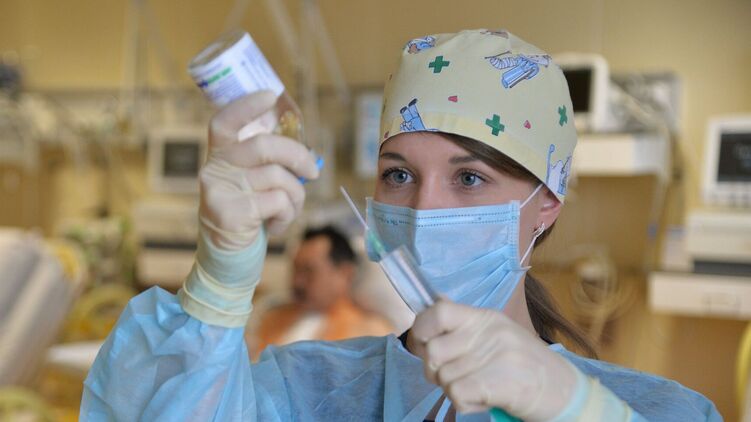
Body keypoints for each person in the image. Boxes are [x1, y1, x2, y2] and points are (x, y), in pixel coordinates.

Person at [81, 29, 721, 421]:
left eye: (469, 178)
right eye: (399, 174)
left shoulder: (663, 412)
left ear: (547, 203)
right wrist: (217, 285)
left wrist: (581, 411)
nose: (423, 209)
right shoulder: (303, 391)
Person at [249, 226, 392, 357]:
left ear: (345, 274)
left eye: (308, 271)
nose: (297, 282)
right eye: (295, 270)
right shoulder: (272, 319)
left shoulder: (371, 333)